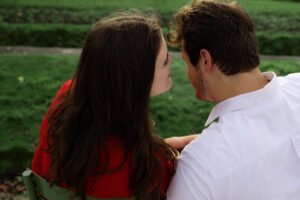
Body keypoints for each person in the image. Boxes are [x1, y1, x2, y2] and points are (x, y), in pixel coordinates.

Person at [31, 11, 178, 200]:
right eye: (165, 60)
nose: (171, 61)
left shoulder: (66, 98)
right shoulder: (149, 166)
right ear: (137, 78)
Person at [165, 0, 300, 199]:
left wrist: (203, 150)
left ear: (205, 60)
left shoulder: (200, 167)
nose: (187, 74)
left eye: (186, 62)